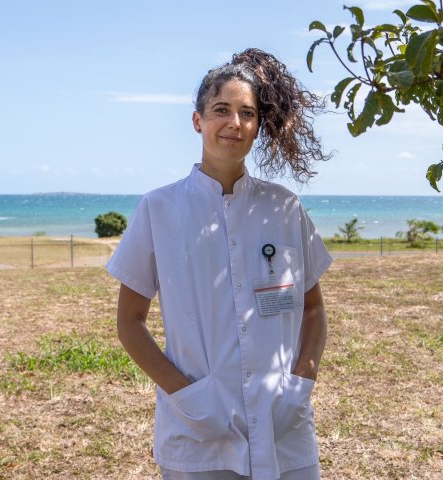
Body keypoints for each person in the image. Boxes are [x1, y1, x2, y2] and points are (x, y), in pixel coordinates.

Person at [106, 48, 332, 480]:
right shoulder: (159, 209)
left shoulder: (284, 207)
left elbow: (313, 309)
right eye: (221, 110)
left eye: (247, 113)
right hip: (197, 432)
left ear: (258, 126)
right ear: (198, 121)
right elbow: (130, 322)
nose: (235, 123)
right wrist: (186, 396)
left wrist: (301, 381)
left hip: (284, 424)